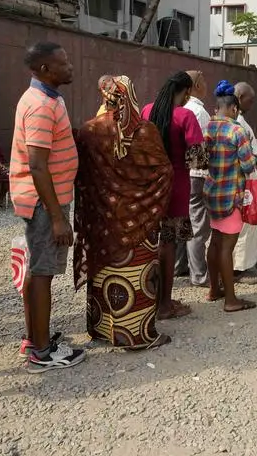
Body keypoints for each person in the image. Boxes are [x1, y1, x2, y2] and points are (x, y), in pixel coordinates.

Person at [73, 75, 174, 348]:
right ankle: (137, 335)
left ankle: (102, 329)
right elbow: (164, 172)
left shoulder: (87, 130)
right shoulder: (144, 130)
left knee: (106, 272)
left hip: (103, 221)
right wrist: (145, 202)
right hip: (139, 219)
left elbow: (82, 176)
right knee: (135, 274)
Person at [10, 42, 86, 372]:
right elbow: (38, 164)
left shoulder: (50, 99)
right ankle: (40, 353)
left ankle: (34, 338)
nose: (70, 67)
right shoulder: (41, 105)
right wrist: (57, 218)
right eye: (64, 63)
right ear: (45, 70)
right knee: (42, 273)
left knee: (38, 270)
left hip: (46, 199)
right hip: (44, 202)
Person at [142, 71, 206, 319]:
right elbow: (198, 158)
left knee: (151, 242)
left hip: (149, 187)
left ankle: (151, 297)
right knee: (168, 244)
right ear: (187, 91)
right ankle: (165, 304)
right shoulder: (185, 115)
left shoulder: (147, 110)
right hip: (176, 186)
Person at [204, 81, 257, 312]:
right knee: (227, 247)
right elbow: (248, 165)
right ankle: (231, 300)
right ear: (235, 109)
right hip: (232, 196)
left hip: (212, 193)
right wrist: (255, 156)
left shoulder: (208, 127)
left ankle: (214, 289)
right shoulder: (237, 130)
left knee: (215, 242)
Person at [175, 70, 212, 287]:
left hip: (182, 175)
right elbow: (202, 149)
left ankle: (180, 266)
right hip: (197, 174)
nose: (207, 85)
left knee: (183, 223)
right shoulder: (199, 112)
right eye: (204, 80)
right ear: (197, 84)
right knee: (198, 226)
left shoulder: (179, 110)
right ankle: (199, 275)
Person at [232, 81, 257, 279]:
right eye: (250, 99)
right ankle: (238, 268)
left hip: (247, 181)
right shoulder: (238, 124)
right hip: (245, 182)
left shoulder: (240, 122)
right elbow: (247, 157)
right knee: (243, 226)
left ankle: (243, 265)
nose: (252, 103)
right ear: (239, 98)